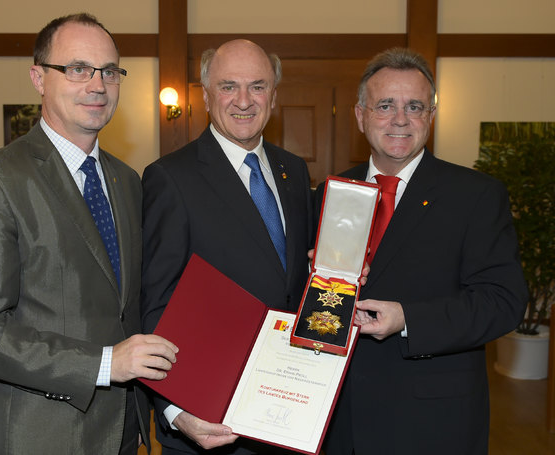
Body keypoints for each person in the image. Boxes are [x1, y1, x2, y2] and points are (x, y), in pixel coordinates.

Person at [0, 13, 178, 455]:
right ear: (38, 78)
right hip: (36, 434)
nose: (97, 85)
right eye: (77, 69)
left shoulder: (126, 181)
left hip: (123, 432)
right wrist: (105, 363)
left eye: (109, 71)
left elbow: (131, 305)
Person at [319, 47, 528, 455]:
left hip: (431, 423)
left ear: (430, 117)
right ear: (360, 116)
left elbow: (503, 302)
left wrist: (408, 319)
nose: (401, 119)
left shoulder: (476, 196)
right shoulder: (332, 190)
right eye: (385, 105)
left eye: (415, 106)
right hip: (337, 418)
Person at [141, 39, 313, 453]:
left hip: (289, 410)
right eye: (228, 86)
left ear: (273, 94)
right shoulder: (171, 178)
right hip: (209, 418)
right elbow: (154, 304)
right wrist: (175, 408)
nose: (243, 100)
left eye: (257, 86)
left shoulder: (294, 170)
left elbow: (295, 281)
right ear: (205, 95)